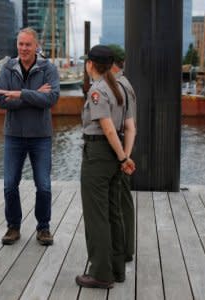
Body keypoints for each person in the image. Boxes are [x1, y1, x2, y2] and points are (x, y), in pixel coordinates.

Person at [76, 45, 136, 289]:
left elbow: (108, 128)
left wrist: (123, 158)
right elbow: (130, 127)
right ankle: (117, 268)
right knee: (113, 213)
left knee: (96, 216)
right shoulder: (121, 87)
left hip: (99, 155)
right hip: (114, 155)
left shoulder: (98, 91)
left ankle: (101, 273)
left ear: (91, 64)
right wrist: (124, 157)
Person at [0, 27, 60, 246]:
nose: (23, 48)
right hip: (13, 135)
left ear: (36, 46)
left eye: (28, 44)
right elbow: (2, 101)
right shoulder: (7, 68)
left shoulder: (48, 68)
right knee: (9, 184)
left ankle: (44, 227)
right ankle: (13, 226)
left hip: (40, 136)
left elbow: (51, 99)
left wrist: (20, 94)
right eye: (20, 44)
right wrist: (34, 96)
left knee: (43, 185)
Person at [108, 44, 137, 262]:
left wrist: (124, 157)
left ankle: (124, 249)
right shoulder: (127, 84)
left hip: (117, 149)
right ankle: (126, 248)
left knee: (119, 200)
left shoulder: (118, 85)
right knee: (123, 199)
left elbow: (126, 126)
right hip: (123, 148)